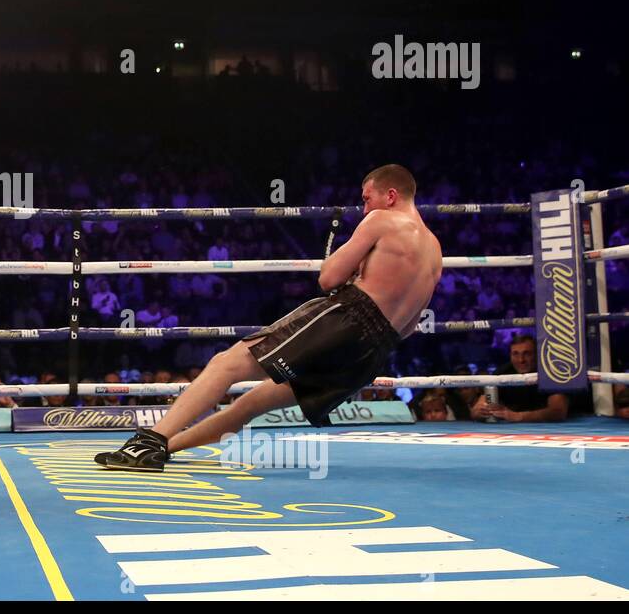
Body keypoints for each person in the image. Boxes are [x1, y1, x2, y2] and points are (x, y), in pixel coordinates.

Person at [97, 165, 442, 470]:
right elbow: (409, 326)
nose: (363, 206)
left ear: (391, 195)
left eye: (367, 198)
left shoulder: (382, 219)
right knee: (252, 403)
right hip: (376, 351)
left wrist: (354, 276)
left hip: (348, 315)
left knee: (226, 363)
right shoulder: (435, 249)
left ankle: (149, 441)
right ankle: (164, 448)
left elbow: (328, 278)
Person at [472, 334, 572, 423]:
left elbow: (558, 411)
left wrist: (518, 416)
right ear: (510, 355)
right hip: (513, 431)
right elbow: (476, 410)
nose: (521, 360)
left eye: (527, 353)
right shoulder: (502, 373)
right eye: (515, 354)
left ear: (537, 354)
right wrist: (480, 412)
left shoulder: (551, 371)